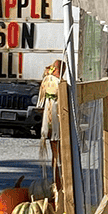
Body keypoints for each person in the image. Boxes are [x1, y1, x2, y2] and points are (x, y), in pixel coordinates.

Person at [38, 58, 64, 191]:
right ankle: (58, 185)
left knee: (58, 154)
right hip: (54, 118)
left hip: (54, 117)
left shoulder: (50, 82)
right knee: (57, 153)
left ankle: (59, 185)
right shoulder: (53, 83)